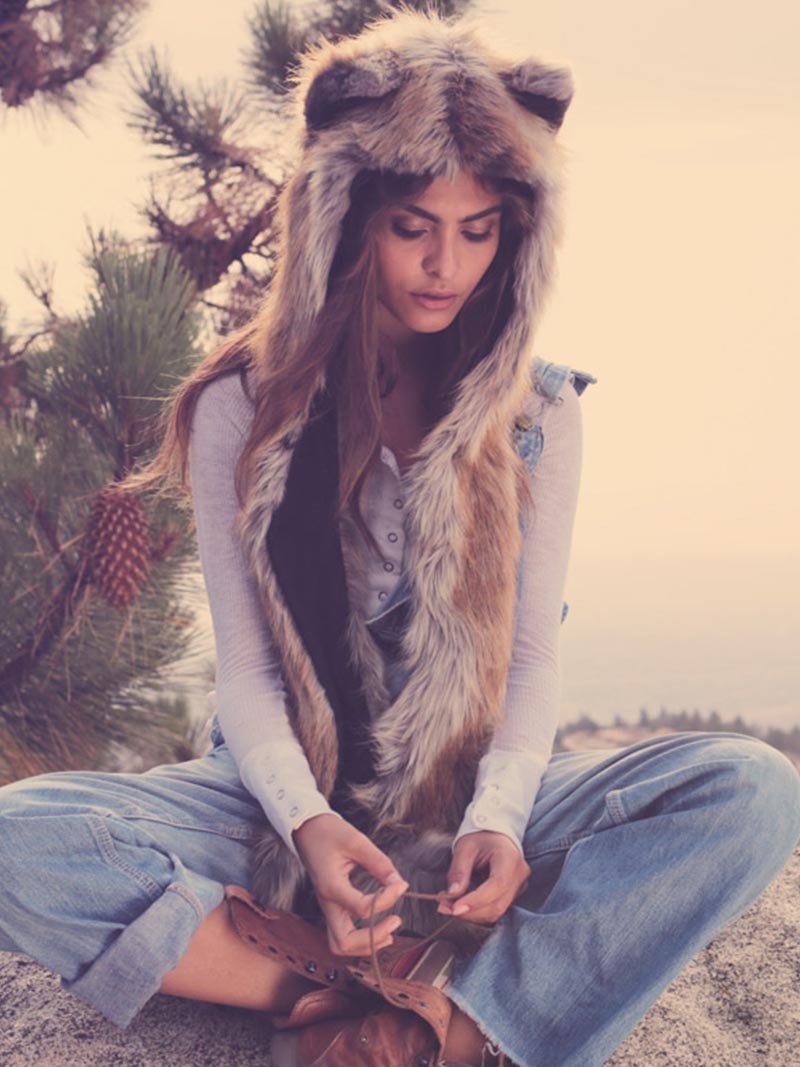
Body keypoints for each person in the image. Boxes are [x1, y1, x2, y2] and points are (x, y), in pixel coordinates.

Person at [1, 7, 799, 1067]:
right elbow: (245, 672)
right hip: (276, 788)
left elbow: (527, 659)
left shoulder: (538, 417)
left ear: (515, 234)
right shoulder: (245, 406)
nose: (444, 263)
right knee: (18, 836)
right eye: (413, 224)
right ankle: (332, 989)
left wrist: (503, 822)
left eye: (477, 231)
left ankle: (457, 1025)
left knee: (751, 789)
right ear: (347, 217)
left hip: (463, 789)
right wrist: (308, 826)